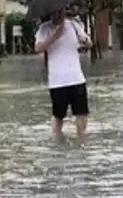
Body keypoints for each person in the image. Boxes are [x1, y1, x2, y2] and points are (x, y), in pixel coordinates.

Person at [35, 8, 93, 138]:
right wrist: (54, 37)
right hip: (57, 81)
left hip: (76, 78)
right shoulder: (44, 29)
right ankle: (57, 141)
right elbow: (38, 48)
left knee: (81, 113)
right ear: (51, 13)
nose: (59, 15)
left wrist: (86, 42)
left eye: (61, 12)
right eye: (56, 12)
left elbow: (89, 44)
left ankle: (81, 140)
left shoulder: (74, 25)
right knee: (58, 114)